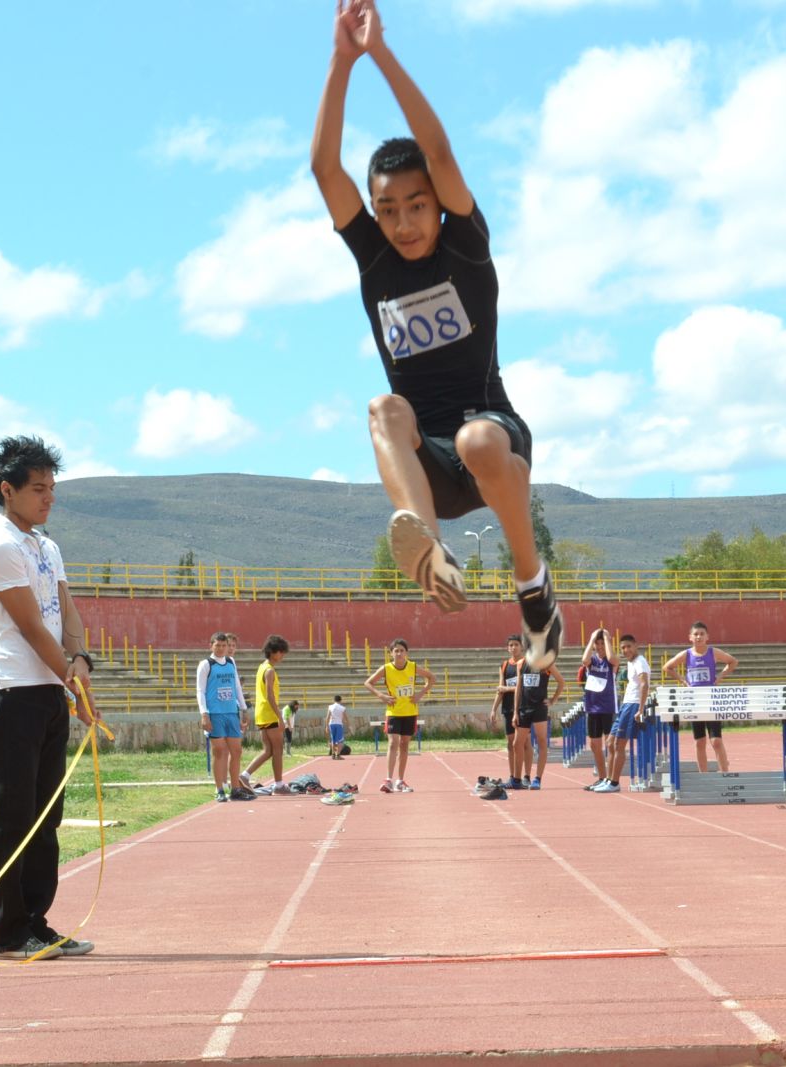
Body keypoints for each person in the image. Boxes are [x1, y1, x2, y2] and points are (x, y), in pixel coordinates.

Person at [310, 0, 562, 669]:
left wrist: (378, 54)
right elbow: (326, 171)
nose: (403, 223)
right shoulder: (375, 260)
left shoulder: (465, 246)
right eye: (388, 210)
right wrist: (339, 62)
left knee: (478, 439)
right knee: (383, 408)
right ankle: (433, 551)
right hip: (431, 466)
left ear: (438, 204)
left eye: (417, 205)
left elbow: (440, 152)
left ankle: (534, 590)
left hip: (493, 438)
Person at [0, 435, 97, 961]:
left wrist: (81, 659)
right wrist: (70, 676)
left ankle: (36, 923)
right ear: (8, 490)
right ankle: (7, 934)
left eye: (52, 487)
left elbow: (64, 610)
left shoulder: (46, 546)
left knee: (47, 817)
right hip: (13, 695)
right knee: (12, 817)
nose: (49, 497)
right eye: (38, 488)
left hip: (48, 693)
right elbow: (29, 626)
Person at [661, 621, 739, 774]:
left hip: (711, 701)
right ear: (690, 637)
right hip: (695, 702)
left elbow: (733, 662)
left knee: (716, 741)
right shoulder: (687, 654)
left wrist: (720, 677)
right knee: (700, 741)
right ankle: (703, 776)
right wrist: (683, 681)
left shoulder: (713, 652)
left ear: (707, 636)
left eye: (702, 634)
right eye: (695, 634)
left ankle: (725, 773)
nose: (699, 637)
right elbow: (667, 667)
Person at [365, 638, 434, 792]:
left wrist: (420, 694)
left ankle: (400, 781)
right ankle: (388, 780)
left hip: (410, 712)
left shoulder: (413, 667)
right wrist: (381, 696)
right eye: (396, 651)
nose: (399, 653)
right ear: (391, 653)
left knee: (404, 745)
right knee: (393, 743)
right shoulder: (386, 669)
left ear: (406, 653)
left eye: (402, 650)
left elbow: (431, 677)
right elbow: (368, 683)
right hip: (394, 712)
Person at [197, 631, 254, 802]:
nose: (221, 648)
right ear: (211, 646)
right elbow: (200, 691)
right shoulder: (206, 665)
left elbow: (237, 687)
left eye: (224, 645)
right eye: (218, 645)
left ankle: (235, 788)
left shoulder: (231, 662)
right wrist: (204, 714)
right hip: (215, 713)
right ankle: (219, 789)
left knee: (236, 750)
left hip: (231, 712)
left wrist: (244, 709)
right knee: (219, 751)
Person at [240, 635, 291, 794]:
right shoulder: (269, 670)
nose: (282, 655)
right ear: (273, 652)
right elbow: (270, 695)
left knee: (268, 750)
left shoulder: (262, 667)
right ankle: (279, 785)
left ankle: (244, 775)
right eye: (281, 652)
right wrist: (280, 717)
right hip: (269, 713)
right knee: (278, 750)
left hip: (261, 713)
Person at [603, 634, 650, 792]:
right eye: (623, 647)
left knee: (619, 744)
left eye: (629, 646)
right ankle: (608, 779)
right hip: (626, 704)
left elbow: (644, 684)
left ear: (636, 646)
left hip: (633, 705)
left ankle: (614, 783)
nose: (626, 650)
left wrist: (640, 709)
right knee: (610, 742)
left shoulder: (640, 662)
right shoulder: (631, 662)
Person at [512, 656, 564, 790]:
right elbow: (518, 687)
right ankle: (517, 779)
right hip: (524, 708)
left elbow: (561, 682)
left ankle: (537, 779)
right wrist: (515, 712)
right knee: (517, 743)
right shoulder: (521, 663)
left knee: (541, 741)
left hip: (539, 708)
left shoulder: (546, 663)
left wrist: (553, 700)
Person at [579, 629, 618, 791]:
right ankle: (602, 778)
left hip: (608, 707)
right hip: (593, 707)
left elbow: (612, 658)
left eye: (603, 643)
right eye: (598, 644)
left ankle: (611, 779)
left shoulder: (611, 661)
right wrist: (592, 638)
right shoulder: (592, 661)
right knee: (594, 745)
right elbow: (584, 659)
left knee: (610, 745)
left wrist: (607, 639)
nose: (600, 646)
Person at [489, 635, 525, 787]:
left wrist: (507, 688)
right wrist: (493, 709)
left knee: (522, 743)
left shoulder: (526, 664)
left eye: (516, 644)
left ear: (522, 646)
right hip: (508, 708)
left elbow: (525, 688)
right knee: (510, 743)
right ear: (507, 648)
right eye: (511, 645)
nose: (513, 647)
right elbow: (500, 689)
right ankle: (512, 776)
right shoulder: (504, 665)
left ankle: (525, 776)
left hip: (523, 708)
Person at [326, 694, 348, 759]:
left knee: (333, 740)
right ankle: (338, 755)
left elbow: (327, 717)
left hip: (331, 724)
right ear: (340, 700)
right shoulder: (342, 708)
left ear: (334, 700)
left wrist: (326, 726)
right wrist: (349, 725)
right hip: (339, 724)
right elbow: (346, 717)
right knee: (340, 741)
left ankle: (333, 754)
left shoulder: (330, 707)